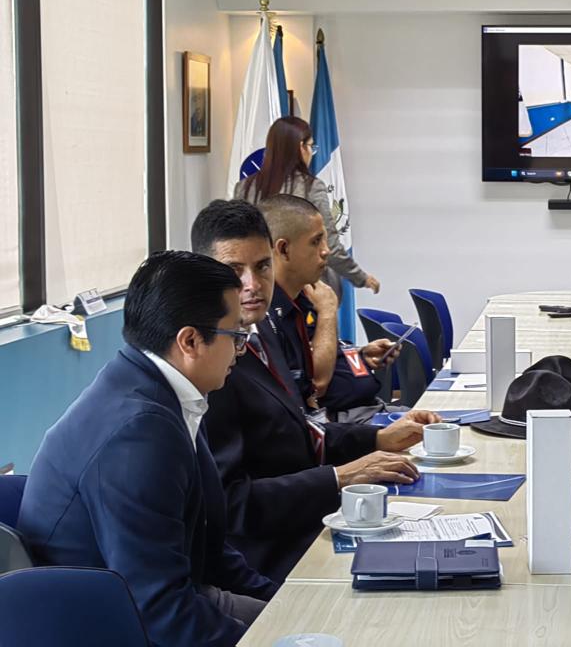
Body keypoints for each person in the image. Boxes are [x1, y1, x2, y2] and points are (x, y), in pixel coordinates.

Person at [18, 252, 277, 647]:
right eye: (236, 336)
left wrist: (284, 602)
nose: (239, 351)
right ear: (190, 341)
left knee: (312, 625)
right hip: (110, 627)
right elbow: (159, 612)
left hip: (167, 599)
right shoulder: (139, 433)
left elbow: (207, 545)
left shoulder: (156, 388)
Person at [191, 199, 439, 583]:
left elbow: (297, 429)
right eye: (234, 271)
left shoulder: (263, 328)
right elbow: (233, 505)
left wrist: (377, 438)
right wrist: (339, 478)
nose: (252, 285)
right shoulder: (208, 364)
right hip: (268, 553)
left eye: (262, 267)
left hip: (307, 516)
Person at [258, 194, 404, 420]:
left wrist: (360, 355)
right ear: (284, 249)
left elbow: (318, 352)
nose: (326, 250)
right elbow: (317, 384)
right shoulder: (267, 316)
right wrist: (327, 312)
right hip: (336, 421)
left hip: (364, 408)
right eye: (316, 241)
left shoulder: (305, 296)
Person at [234, 116, 380, 294]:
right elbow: (329, 243)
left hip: (259, 286)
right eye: (311, 146)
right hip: (305, 289)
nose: (311, 153)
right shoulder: (311, 187)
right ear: (300, 147)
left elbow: (237, 240)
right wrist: (361, 277)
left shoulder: (243, 188)